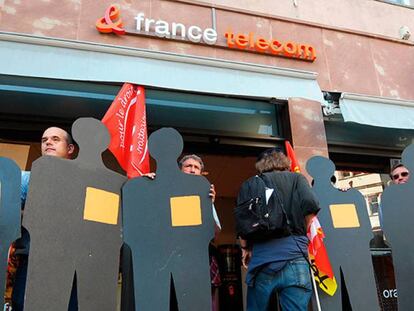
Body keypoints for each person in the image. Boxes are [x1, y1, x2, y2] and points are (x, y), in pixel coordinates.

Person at [239, 148, 319, 311]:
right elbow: (311, 206)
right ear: (284, 162)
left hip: (262, 261)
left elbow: (243, 223)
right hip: (296, 257)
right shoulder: (297, 179)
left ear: (260, 165)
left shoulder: (250, 184)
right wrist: (302, 231)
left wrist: (245, 248)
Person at [12, 127, 76, 311]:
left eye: (56, 139)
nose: (48, 142)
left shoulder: (85, 182)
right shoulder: (26, 180)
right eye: (44, 139)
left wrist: (141, 182)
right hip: (32, 264)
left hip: (71, 267)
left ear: (70, 149)